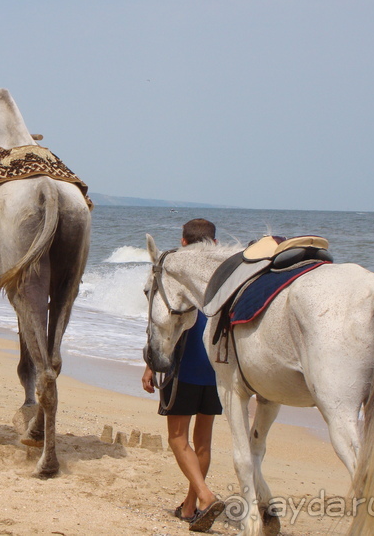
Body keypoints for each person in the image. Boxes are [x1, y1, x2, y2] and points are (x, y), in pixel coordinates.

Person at [142, 218, 225, 533]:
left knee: (178, 438)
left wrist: (151, 363)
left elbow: (165, 322)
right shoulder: (222, 277)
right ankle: (190, 507)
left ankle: (204, 496)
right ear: (214, 244)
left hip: (184, 365)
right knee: (203, 442)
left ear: (184, 242)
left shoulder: (180, 274)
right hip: (217, 370)